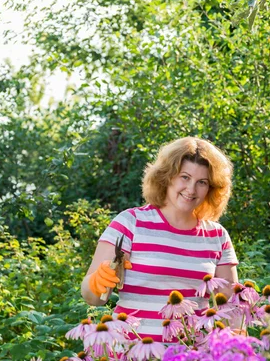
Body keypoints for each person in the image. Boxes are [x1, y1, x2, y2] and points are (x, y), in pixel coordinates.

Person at [81, 136, 239, 342]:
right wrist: (96, 283)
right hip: (133, 360)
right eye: (185, 177)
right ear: (167, 176)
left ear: (212, 188)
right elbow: (92, 298)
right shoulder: (130, 223)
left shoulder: (217, 236)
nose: (191, 189)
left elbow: (231, 305)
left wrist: (236, 343)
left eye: (202, 182)